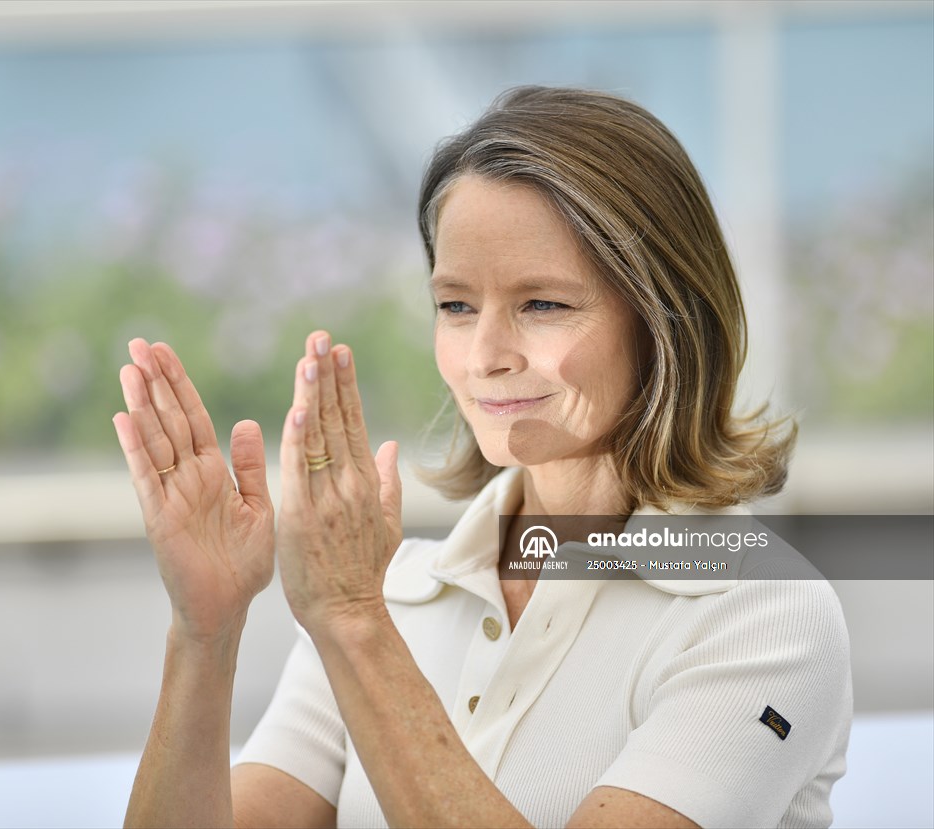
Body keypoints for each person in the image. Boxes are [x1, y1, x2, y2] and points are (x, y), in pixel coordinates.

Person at [113, 86, 851, 828]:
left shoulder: (763, 613)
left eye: (543, 304)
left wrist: (355, 625)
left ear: (665, 319)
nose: (485, 356)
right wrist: (206, 631)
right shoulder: (391, 591)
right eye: (457, 305)